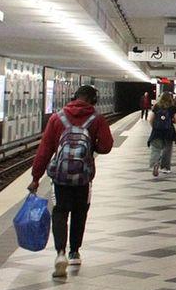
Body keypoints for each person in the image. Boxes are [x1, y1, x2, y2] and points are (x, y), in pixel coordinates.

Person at [28, 85, 113, 279]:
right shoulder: (97, 119)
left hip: (60, 177)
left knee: (60, 212)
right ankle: (75, 252)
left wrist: (35, 177)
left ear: (74, 97)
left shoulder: (57, 118)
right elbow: (106, 146)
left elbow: (45, 150)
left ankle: (60, 253)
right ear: (93, 100)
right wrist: (91, 147)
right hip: (84, 177)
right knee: (80, 212)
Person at [148, 93, 176, 177]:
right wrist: (171, 121)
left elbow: (150, 119)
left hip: (157, 132)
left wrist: (154, 127)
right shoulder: (172, 108)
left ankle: (155, 163)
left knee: (155, 149)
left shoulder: (156, 106)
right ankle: (165, 168)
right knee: (167, 150)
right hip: (168, 132)